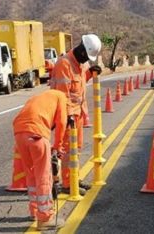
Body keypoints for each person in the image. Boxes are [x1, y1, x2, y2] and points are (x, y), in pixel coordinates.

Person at [50, 33, 102, 195]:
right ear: (81, 51)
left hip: (77, 114)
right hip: (67, 116)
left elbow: (77, 85)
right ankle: (67, 184)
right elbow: (62, 95)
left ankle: (74, 177)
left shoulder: (80, 64)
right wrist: (68, 117)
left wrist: (90, 73)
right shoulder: (64, 64)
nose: (87, 60)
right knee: (67, 150)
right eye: (87, 57)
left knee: (76, 149)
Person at [13, 90, 67, 231]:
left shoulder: (40, 97)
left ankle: (34, 211)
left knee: (30, 173)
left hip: (19, 132)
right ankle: (45, 218)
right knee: (44, 176)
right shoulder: (61, 97)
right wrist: (57, 147)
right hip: (36, 132)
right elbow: (61, 122)